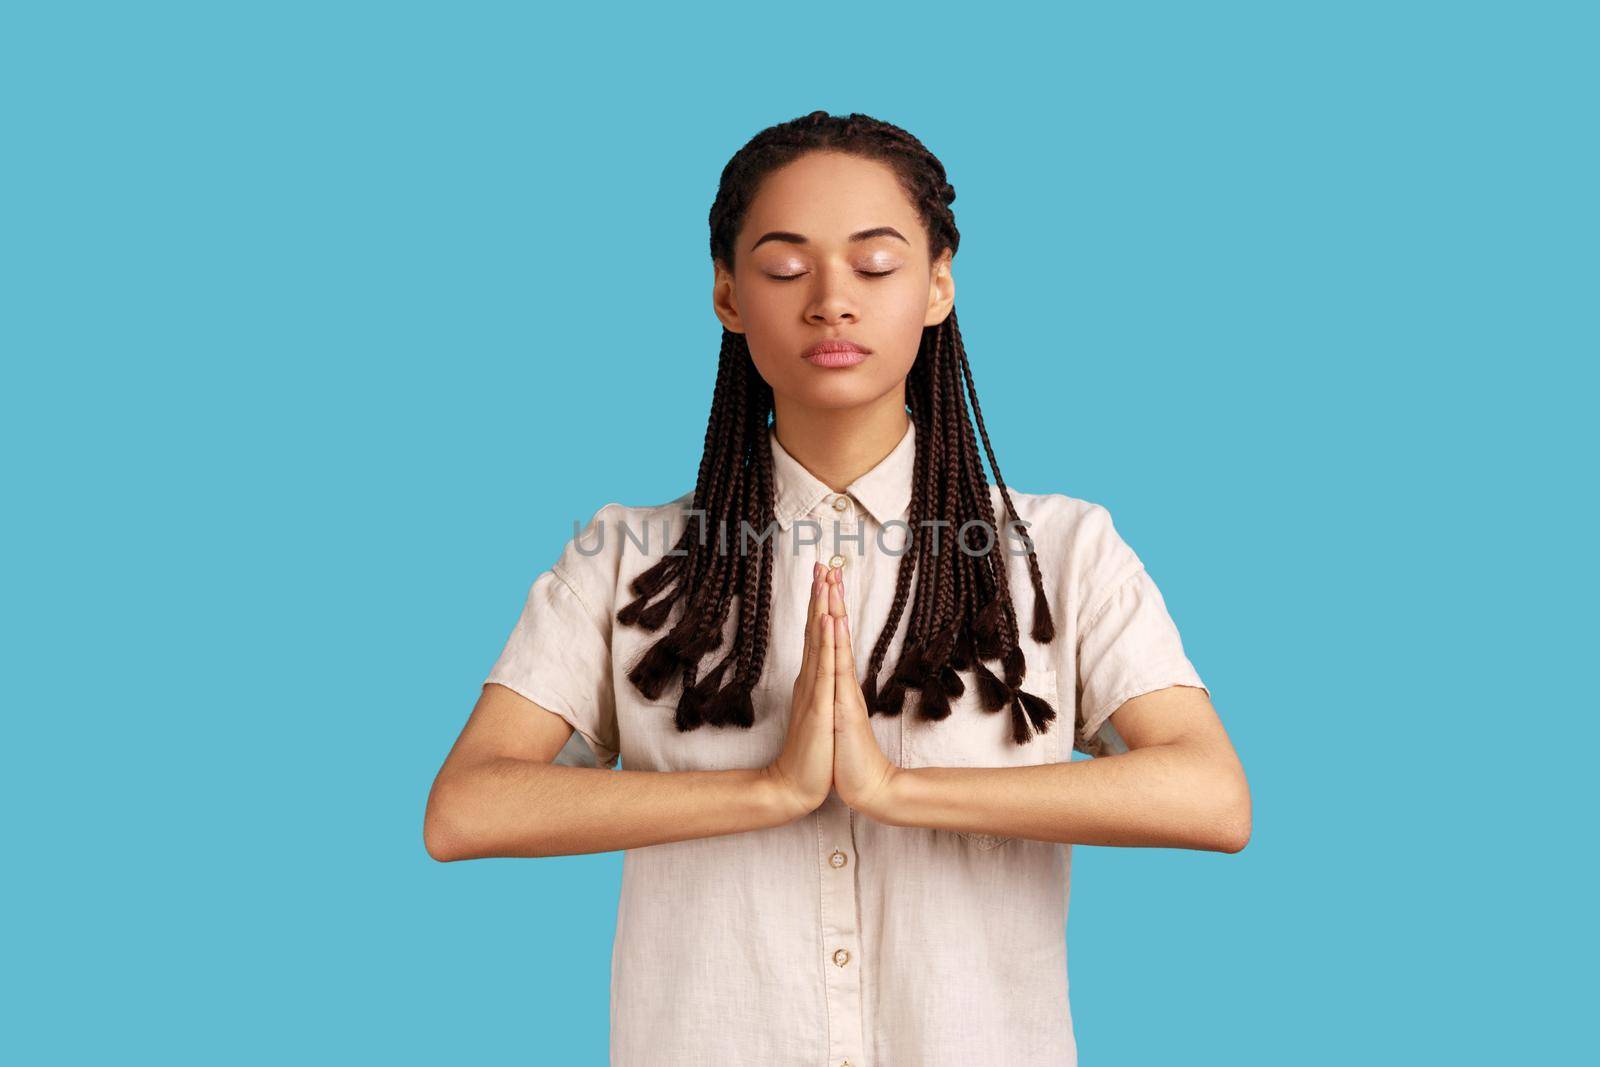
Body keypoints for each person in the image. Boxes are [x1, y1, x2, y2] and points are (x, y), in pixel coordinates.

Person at [424, 110, 1251, 1067]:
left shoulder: (1058, 548)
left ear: (939, 283)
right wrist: (764, 791)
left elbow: (1211, 797)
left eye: (875, 264)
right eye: (784, 268)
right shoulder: (627, 557)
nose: (830, 302)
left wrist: (897, 789)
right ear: (729, 296)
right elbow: (466, 808)